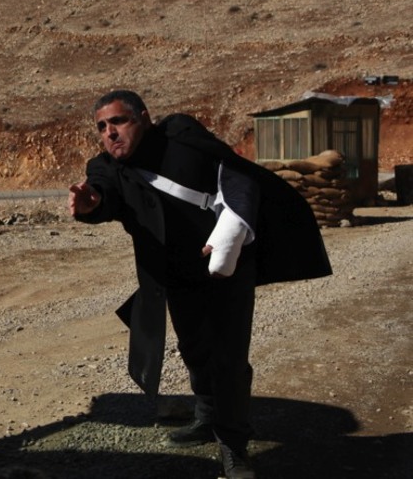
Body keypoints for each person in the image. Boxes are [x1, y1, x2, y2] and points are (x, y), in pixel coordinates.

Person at [69, 90, 331, 479]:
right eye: (102, 127)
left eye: (118, 121)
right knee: (193, 349)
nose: (110, 132)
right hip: (175, 276)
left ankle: (233, 444)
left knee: (228, 356)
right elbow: (102, 196)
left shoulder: (181, 135)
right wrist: (91, 203)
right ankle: (206, 417)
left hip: (227, 267)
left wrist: (233, 229)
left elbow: (235, 172)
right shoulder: (107, 168)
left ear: (143, 117)